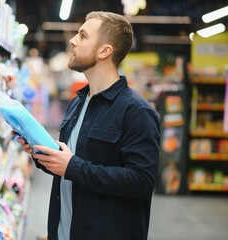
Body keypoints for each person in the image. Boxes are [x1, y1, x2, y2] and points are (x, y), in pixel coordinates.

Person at [15, 11, 160, 240]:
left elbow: (141, 181)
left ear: (104, 51)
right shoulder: (78, 102)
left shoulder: (136, 112)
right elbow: (70, 162)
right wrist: (41, 153)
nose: (73, 40)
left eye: (82, 36)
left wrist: (73, 167)